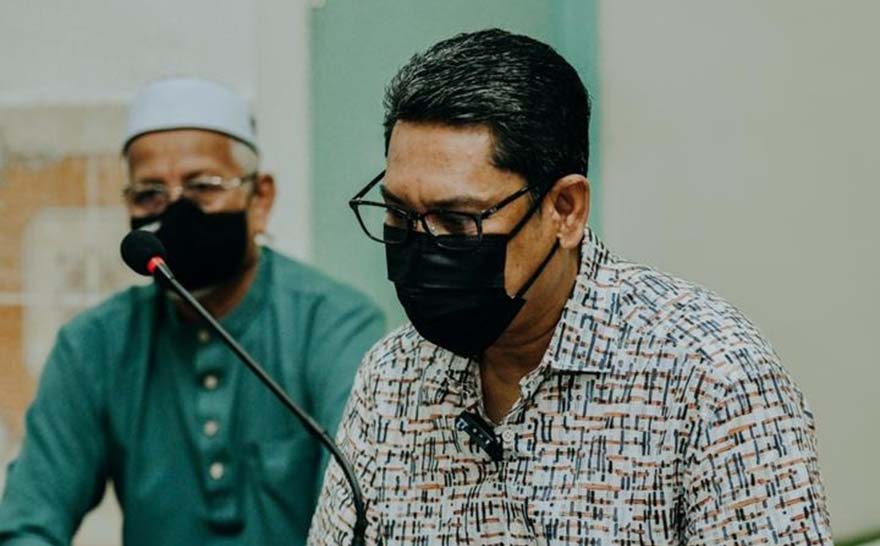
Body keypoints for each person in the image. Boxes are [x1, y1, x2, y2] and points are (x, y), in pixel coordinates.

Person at [308, 29, 832, 545]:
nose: (422, 244)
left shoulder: (709, 378)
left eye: (458, 220)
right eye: (399, 214)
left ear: (565, 209)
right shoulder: (393, 376)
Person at [0, 77, 384, 545]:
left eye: (203, 186)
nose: (176, 211)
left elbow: (361, 516)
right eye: (149, 194)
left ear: (260, 199)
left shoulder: (334, 325)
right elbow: (30, 521)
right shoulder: (94, 344)